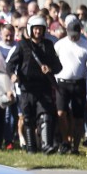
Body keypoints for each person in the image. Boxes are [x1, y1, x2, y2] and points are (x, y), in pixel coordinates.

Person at [6, 15, 62, 154]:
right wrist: (13, 75)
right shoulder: (22, 45)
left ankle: (46, 146)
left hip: (44, 87)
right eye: (35, 29)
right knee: (28, 118)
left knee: (46, 115)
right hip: (27, 88)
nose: (38, 32)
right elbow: (10, 65)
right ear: (31, 29)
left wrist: (50, 69)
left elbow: (58, 66)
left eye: (40, 29)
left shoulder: (48, 45)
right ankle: (31, 148)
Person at [53, 15, 87, 154]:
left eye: (76, 35)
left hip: (79, 83)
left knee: (78, 117)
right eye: (71, 34)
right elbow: (53, 60)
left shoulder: (86, 45)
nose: (73, 37)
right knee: (61, 113)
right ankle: (65, 141)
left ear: (80, 32)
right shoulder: (60, 44)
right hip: (62, 83)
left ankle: (75, 146)